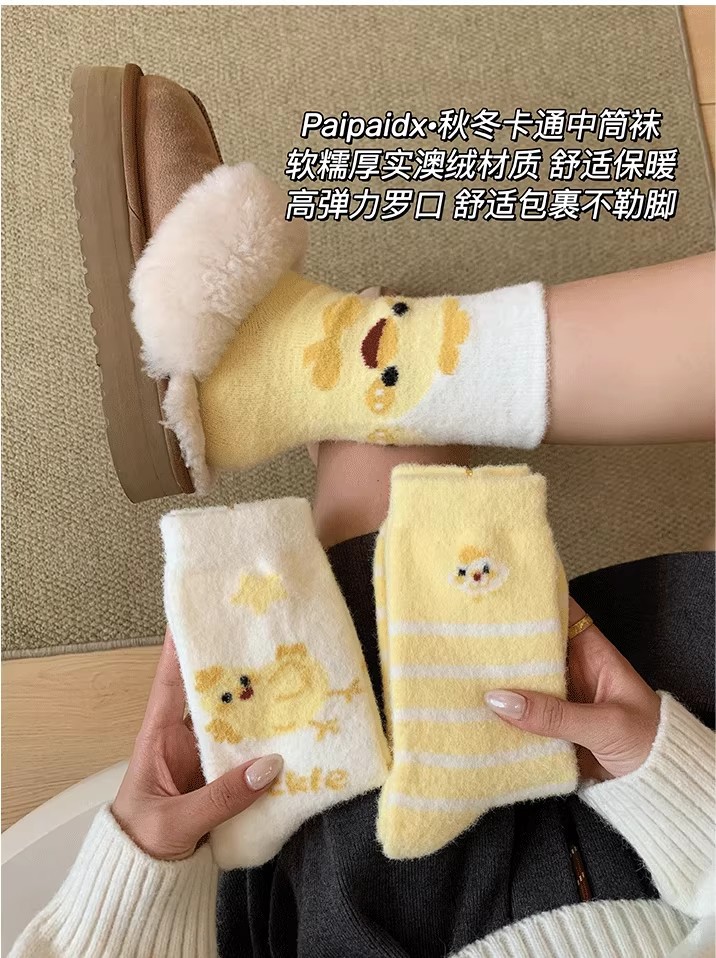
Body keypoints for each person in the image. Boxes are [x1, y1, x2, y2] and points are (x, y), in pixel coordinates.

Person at [10, 431, 715, 957]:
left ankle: (351, 378)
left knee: (382, 445)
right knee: (405, 463)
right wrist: (679, 787)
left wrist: (136, 878)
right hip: (672, 906)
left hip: (363, 930)